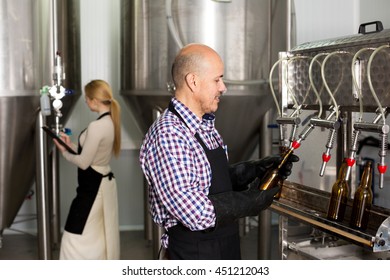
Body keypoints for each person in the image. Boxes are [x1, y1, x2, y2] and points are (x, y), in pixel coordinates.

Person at [139, 43, 299, 260]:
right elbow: (195, 212)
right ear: (193, 81)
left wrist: (251, 170)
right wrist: (250, 201)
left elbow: (207, 180)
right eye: (217, 79)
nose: (223, 87)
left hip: (225, 244)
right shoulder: (169, 134)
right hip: (195, 252)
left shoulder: (205, 126)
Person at [53, 79, 121, 260]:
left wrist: (63, 152)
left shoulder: (97, 126)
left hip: (92, 187)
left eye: (87, 99)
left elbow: (84, 162)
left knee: (72, 237)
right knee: (97, 236)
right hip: (99, 182)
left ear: (95, 100)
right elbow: (91, 154)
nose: (86, 102)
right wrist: (69, 145)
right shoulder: (109, 122)